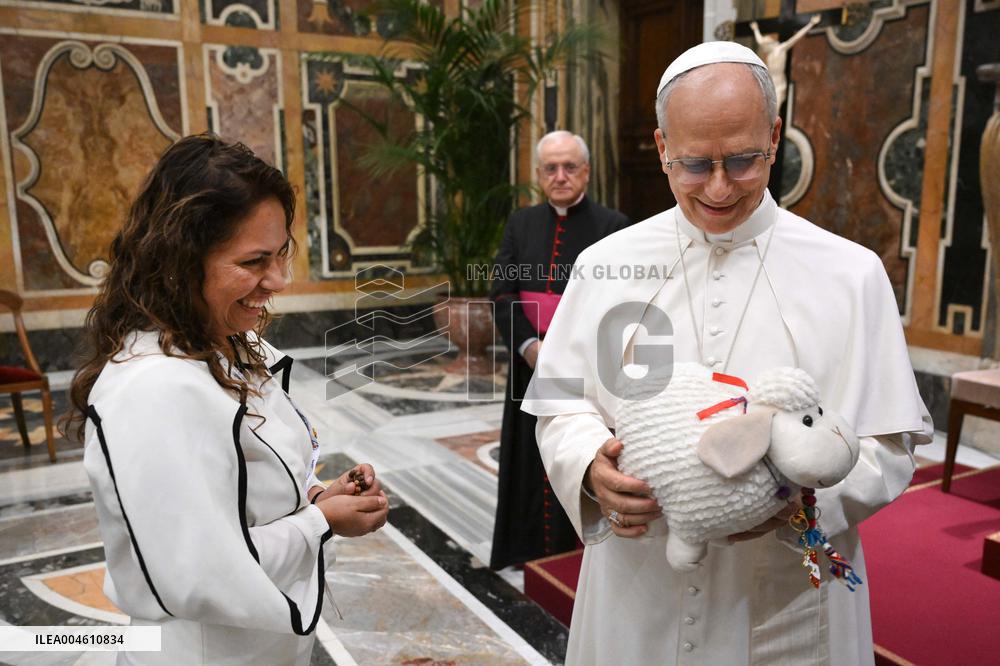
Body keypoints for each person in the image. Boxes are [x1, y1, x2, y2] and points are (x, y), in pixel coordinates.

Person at [522, 43, 933, 664]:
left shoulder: (852, 274)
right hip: (640, 588)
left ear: (774, 136)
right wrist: (589, 468)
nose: (718, 188)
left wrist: (797, 499)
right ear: (662, 148)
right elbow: (563, 408)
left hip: (785, 592)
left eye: (743, 160)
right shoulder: (606, 266)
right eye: (693, 164)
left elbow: (889, 445)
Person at [66, 135, 389, 665]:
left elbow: (237, 495)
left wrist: (312, 495)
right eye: (254, 261)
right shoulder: (156, 389)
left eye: (281, 252)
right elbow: (204, 572)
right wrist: (321, 521)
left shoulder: (227, 341)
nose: (279, 280)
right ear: (181, 258)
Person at [489, 130, 630, 570]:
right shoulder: (520, 223)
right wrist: (531, 348)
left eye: (570, 167)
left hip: (586, 372)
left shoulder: (613, 226)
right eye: (551, 168)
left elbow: (618, 304)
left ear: (586, 171)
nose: (561, 176)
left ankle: (577, 556)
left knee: (581, 452)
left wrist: (571, 351)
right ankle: (525, 551)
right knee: (528, 457)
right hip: (529, 366)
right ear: (538, 175)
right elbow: (502, 294)